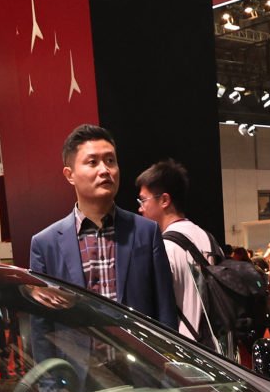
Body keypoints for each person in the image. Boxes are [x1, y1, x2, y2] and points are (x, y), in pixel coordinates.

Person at [26, 124, 175, 326]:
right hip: (74, 357)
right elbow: (41, 323)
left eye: (110, 161)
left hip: (139, 356)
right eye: (92, 162)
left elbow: (165, 310)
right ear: (70, 175)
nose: (104, 170)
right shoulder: (45, 244)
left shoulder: (146, 232)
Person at [136, 158, 217, 345]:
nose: (140, 208)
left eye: (143, 200)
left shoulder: (165, 248)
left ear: (164, 200)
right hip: (217, 354)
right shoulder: (209, 239)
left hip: (186, 353)